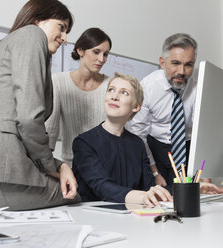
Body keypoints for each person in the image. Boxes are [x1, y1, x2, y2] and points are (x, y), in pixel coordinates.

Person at [0, 0, 80, 211]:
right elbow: (29, 118)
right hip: (3, 182)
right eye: (61, 27)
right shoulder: (32, 34)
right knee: (75, 194)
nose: (65, 38)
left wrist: (61, 165)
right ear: (37, 19)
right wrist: (51, 167)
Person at [72, 73, 173, 207]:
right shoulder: (83, 143)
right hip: (95, 217)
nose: (114, 96)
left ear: (136, 107)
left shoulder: (137, 144)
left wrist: (191, 188)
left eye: (124, 93)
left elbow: (150, 188)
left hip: (130, 216)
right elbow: (102, 187)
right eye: (111, 90)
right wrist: (142, 196)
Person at [126, 33, 199, 187]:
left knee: (190, 198)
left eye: (188, 64)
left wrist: (206, 177)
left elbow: (205, 130)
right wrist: (155, 172)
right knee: (158, 198)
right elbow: (138, 133)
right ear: (162, 62)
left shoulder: (200, 86)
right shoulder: (147, 87)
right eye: (175, 63)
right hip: (154, 148)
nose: (182, 71)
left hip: (187, 147)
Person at [45, 27, 112, 168]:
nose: (101, 59)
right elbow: (50, 132)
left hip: (106, 166)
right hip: (73, 166)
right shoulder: (58, 82)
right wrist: (49, 167)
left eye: (105, 54)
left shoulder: (110, 85)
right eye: (96, 52)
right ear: (80, 50)